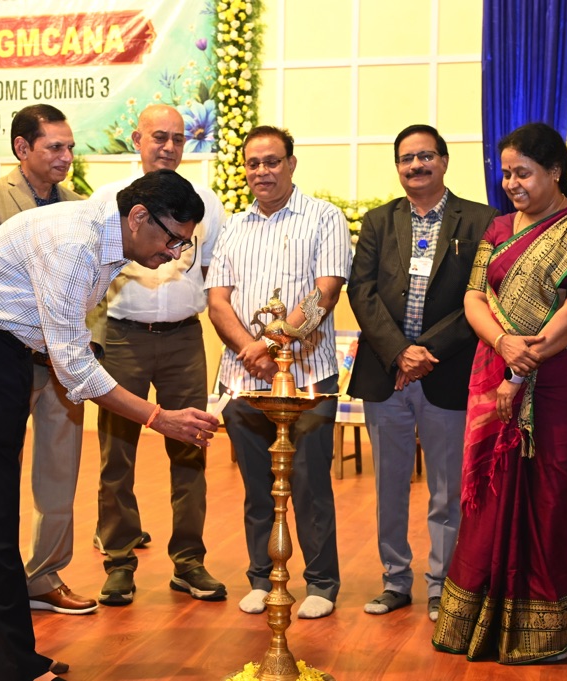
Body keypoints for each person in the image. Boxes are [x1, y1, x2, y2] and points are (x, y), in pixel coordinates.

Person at [0, 170, 218, 681]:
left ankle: (0, 657)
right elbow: (75, 369)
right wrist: (159, 418)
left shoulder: (104, 235)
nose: (175, 254)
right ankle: (10, 663)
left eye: (185, 244)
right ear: (138, 217)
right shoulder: (76, 242)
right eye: (173, 240)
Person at [431, 122, 567, 664]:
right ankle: (483, 623)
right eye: (506, 173)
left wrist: (524, 362)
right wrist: (504, 345)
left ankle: (548, 630)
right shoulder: (498, 229)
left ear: (555, 172)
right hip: (500, 372)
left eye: (523, 173)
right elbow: (474, 297)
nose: (511, 183)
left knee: (556, 501)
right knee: (491, 497)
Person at [0, 105, 101, 628]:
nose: (66, 156)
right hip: (5, 363)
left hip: (62, 367)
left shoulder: (81, 207)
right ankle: (2, 584)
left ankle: (45, 576)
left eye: (70, 146)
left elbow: (90, 289)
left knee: (59, 476)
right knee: (0, 480)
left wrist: (76, 350)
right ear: (22, 148)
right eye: (54, 147)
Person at [347, 124, 497, 622]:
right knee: (388, 485)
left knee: (447, 489)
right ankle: (395, 581)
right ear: (398, 167)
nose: (416, 165)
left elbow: (481, 296)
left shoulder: (481, 220)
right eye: (407, 158)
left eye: (426, 156)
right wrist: (399, 353)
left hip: (446, 371)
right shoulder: (378, 221)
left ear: (444, 161)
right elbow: (361, 291)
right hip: (386, 373)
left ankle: (443, 585)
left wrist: (425, 351)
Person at [206, 125, 352, 620]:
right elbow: (217, 301)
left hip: (307, 378)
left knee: (309, 484)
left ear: (291, 163)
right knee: (256, 487)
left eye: (272, 161)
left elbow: (324, 294)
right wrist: (251, 352)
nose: (262, 171)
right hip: (243, 378)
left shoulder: (324, 218)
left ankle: (321, 583)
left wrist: (268, 345)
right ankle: (260, 577)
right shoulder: (233, 227)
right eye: (253, 163)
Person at [88, 104, 227, 606]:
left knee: (191, 448)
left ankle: (189, 561)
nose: (169, 147)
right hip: (122, 336)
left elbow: (213, 274)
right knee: (116, 455)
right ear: (137, 139)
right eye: (159, 137)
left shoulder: (206, 202)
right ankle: (119, 561)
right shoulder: (108, 200)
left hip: (185, 339)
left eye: (178, 138)